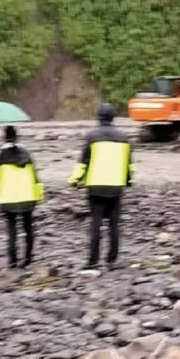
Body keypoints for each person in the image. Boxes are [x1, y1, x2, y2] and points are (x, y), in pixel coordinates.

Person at [68, 103, 135, 269]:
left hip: (96, 186)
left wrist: (75, 180)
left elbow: (83, 162)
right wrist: (128, 180)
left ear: (99, 117)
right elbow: (129, 164)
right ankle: (112, 258)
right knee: (114, 225)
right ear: (113, 117)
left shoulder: (91, 136)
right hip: (115, 186)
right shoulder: (123, 138)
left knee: (95, 224)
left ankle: (93, 259)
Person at [0, 126, 43, 269]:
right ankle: (28, 258)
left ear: (4, 137)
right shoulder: (26, 153)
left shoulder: (0, 156)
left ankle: (12, 261)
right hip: (27, 196)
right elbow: (35, 177)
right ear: (17, 136)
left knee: (11, 230)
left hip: (8, 198)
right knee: (28, 228)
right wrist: (39, 196)